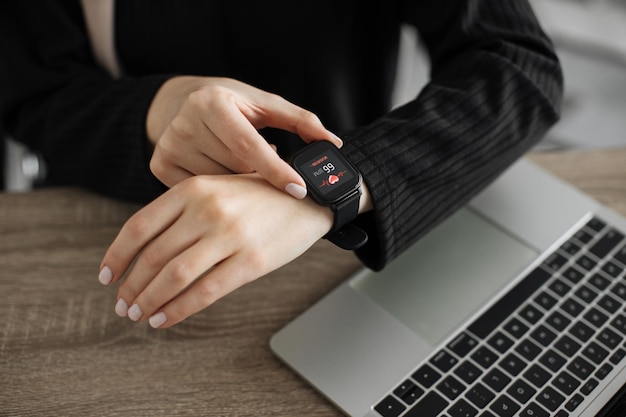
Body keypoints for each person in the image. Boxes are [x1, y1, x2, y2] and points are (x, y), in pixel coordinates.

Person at [0, 1, 563, 329]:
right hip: (113, 234)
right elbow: (34, 94)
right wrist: (163, 106)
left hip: (343, 253)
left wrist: (327, 192)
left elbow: (515, 62)